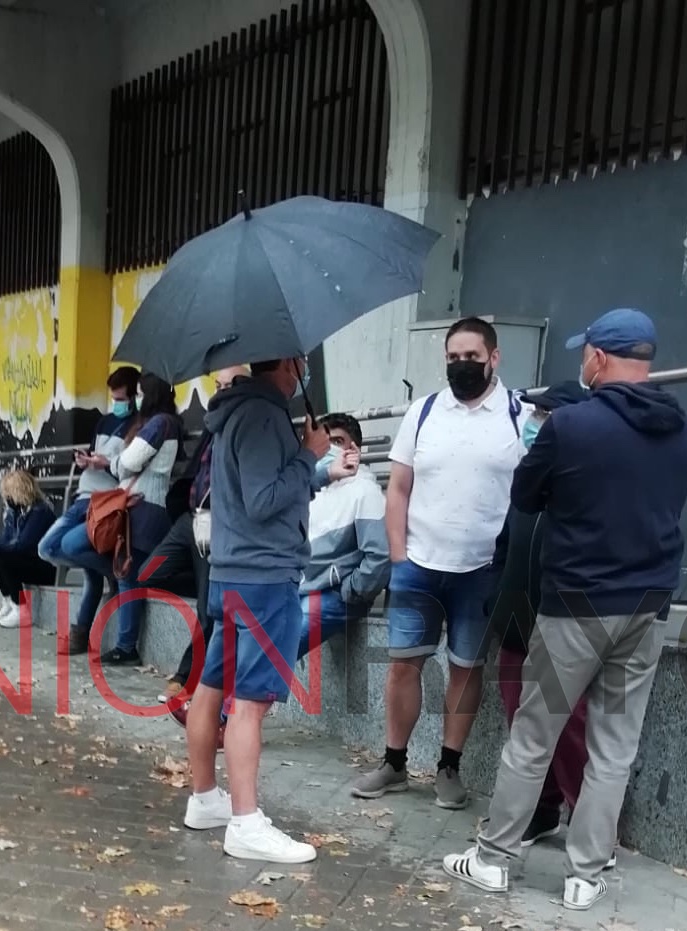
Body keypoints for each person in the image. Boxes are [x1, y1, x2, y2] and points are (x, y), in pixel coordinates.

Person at [443, 308, 687, 911]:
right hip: (647, 605)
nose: (581, 361)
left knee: (534, 734)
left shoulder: (573, 426)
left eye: (585, 352)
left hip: (575, 604)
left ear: (601, 359)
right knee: (615, 744)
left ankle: (495, 858)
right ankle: (585, 875)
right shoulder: (682, 428)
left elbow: (527, 494)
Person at [354, 317, 527, 811]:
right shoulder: (424, 412)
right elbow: (399, 487)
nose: (461, 366)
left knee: (466, 669)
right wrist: (397, 555)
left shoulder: (519, 415)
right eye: (453, 358)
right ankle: (393, 762)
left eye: (472, 357)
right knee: (403, 666)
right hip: (418, 564)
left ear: (494, 358)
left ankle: (449, 768)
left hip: (482, 570)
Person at [185, 356, 329, 864]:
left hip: (231, 568)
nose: (304, 372)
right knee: (250, 701)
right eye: (302, 362)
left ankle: (206, 798)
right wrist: (309, 457)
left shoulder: (234, 411)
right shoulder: (264, 416)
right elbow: (264, 497)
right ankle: (246, 821)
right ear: (287, 365)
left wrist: (309, 465)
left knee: (211, 685)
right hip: (264, 573)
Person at [485, 381, 594, 851]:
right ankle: (541, 811)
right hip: (515, 620)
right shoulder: (527, 480)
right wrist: (497, 598)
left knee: (569, 726)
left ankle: (590, 827)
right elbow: (504, 548)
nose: (535, 424)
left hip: (563, 624)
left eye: (547, 416)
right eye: (536, 416)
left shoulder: (587, 488)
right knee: (521, 722)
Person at [127, 366, 246, 699]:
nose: (219, 392)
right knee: (147, 573)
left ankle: (184, 679)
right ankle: (203, 582)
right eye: (218, 385)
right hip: (190, 519)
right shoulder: (213, 424)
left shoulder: (247, 427)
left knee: (209, 613)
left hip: (219, 527)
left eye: (227, 386)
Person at [67, 371, 185, 667]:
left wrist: (116, 462)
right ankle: (125, 644)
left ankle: (126, 645)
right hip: (139, 506)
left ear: (152, 394)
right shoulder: (161, 423)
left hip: (143, 510)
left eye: (141, 393)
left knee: (126, 574)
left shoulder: (160, 423)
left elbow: (129, 462)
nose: (138, 399)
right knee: (120, 571)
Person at [37, 367, 141, 654]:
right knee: (68, 558)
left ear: (133, 396)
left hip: (104, 500)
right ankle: (82, 630)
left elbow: (128, 467)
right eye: (114, 397)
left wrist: (105, 462)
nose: (117, 403)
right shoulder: (104, 421)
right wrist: (87, 461)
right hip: (85, 493)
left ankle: (83, 630)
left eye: (121, 398)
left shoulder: (138, 425)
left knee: (53, 546)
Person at [296, 413, 390, 660]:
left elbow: (379, 558)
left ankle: (227, 700)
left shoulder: (365, 491)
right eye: (325, 441)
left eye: (337, 441)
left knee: (273, 648)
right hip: (300, 588)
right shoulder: (312, 488)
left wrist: (349, 591)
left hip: (333, 595)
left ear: (353, 448)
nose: (330, 448)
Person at [0, 468, 58, 628]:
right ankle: (8, 602)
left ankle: (21, 609)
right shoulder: (14, 512)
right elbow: (6, 541)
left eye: (9, 493)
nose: (6, 497)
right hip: (26, 560)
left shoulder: (40, 512)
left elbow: (24, 545)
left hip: (45, 567)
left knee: (4, 558)